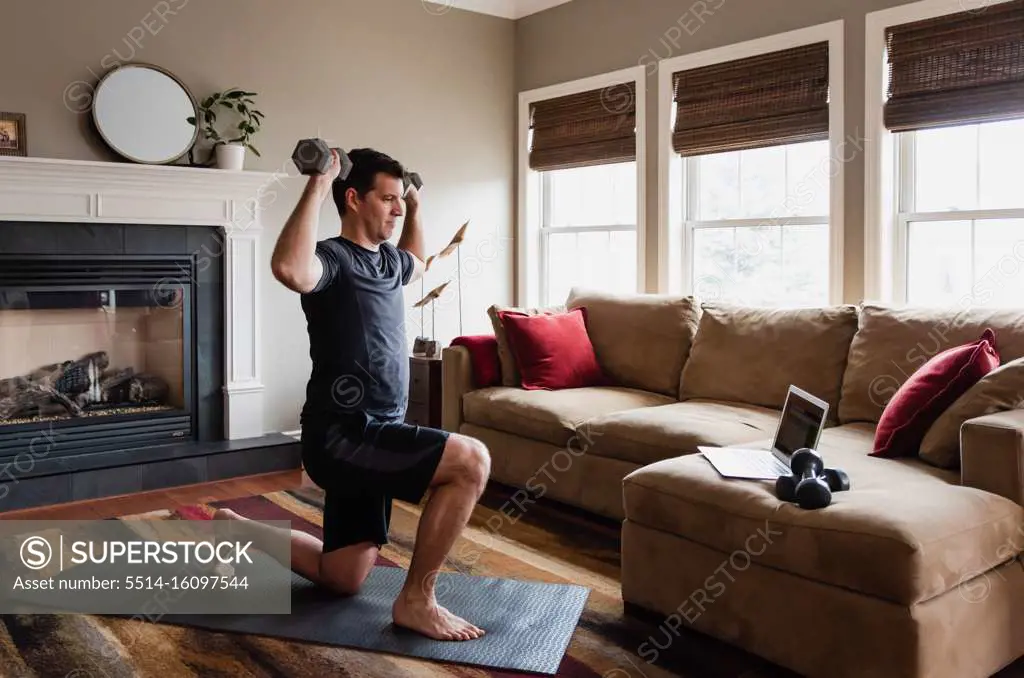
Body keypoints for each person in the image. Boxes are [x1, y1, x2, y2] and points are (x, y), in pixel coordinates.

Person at [217, 147, 490, 642]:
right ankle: (416, 600)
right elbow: (289, 270)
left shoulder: (388, 261)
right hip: (344, 434)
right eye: (387, 199)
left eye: (398, 200)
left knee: (342, 578)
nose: (397, 208)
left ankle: (240, 531)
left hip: (377, 435)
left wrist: (417, 205)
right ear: (353, 199)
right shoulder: (333, 259)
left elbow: (418, 263)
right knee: (471, 461)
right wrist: (318, 182)